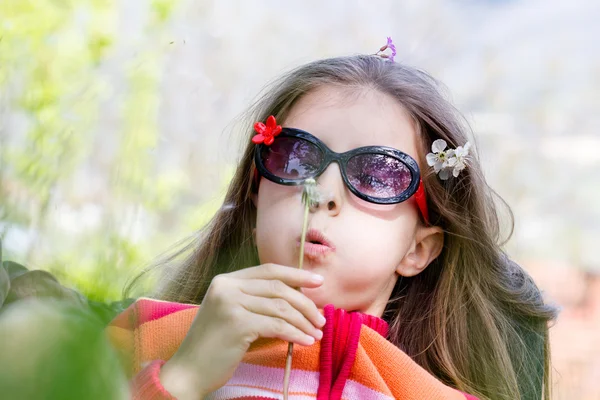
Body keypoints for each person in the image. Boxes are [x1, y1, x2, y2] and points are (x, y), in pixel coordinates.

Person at [107, 39, 557, 400]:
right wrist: (181, 380)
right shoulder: (145, 337)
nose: (321, 193)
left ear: (417, 249)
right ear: (254, 204)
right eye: (294, 157)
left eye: (378, 174)